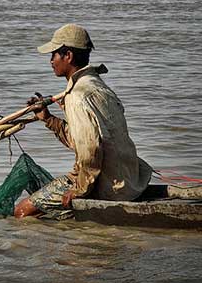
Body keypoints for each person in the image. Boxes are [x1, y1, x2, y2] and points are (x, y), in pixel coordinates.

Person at [14, 24, 152, 219]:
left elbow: (90, 150)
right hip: (130, 179)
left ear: (68, 56)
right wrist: (48, 119)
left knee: (21, 212)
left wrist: (80, 189)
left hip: (108, 186)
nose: (51, 61)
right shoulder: (98, 86)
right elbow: (84, 140)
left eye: (54, 55)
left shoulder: (77, 97)